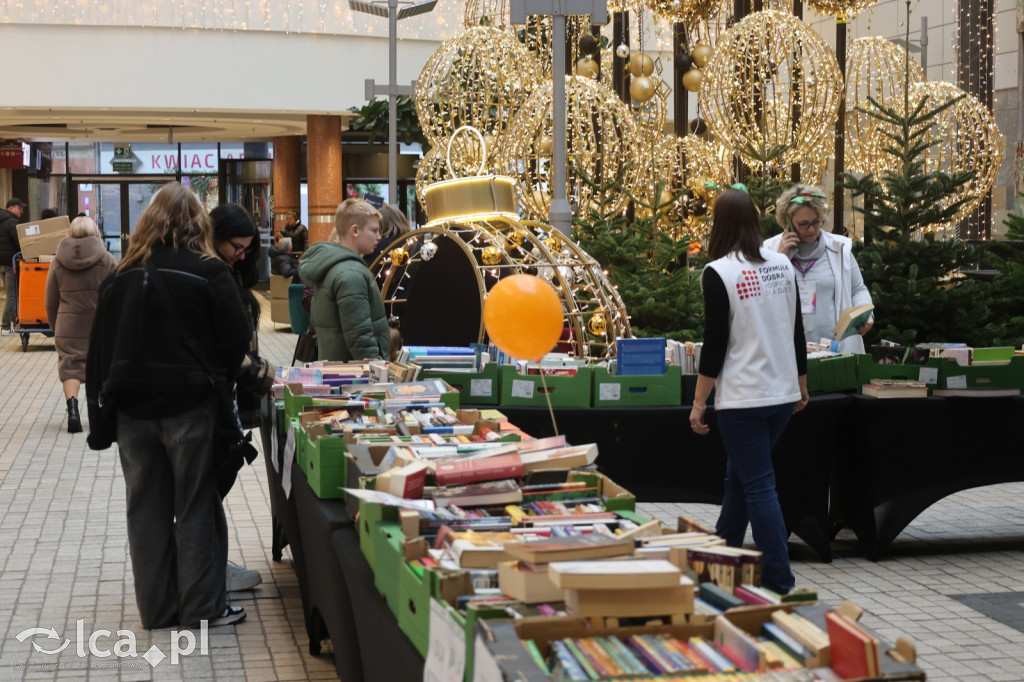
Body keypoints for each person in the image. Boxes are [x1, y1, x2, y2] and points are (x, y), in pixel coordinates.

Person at [86, 182, 252, 629]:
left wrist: (99, 422)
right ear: (198, 223)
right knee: (196, 504)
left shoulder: (118, 277)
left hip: (131, 414)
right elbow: (234, 343)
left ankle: (157, 611)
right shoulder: (208, 272)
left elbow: (97, 354)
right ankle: (203, 608)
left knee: (145, 509)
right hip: (189, 407)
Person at [689, 188, 809, 596]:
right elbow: (797, 330)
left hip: (743, 398)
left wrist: (699, 401)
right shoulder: (781, 264)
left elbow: (715, 343)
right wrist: (801, 384)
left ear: (719, 225)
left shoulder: (718, 272)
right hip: (779, 394)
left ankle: (779, 580)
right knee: (740, 480)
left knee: (758, 485)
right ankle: (719, 564)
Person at [210, 203, 275, 592]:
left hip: (230, 393)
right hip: (216, 394)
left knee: (220, 476)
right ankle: (208, 566)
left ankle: (210, 562)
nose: (243, 254)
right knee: (212, 480)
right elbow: (228, 350)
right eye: (237, 245)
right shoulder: (210, 274)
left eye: (249, 248)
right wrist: (266, 377)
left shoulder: (228, 272)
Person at [764, 185, 874, 353]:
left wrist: (866, 315)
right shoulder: (770, 250)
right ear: (787, 223)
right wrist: (781, 258)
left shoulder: (839, 248)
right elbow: (761, 299)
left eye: (816, 222)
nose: (812, 229)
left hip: (834, 352)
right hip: (786, 353)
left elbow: (858, 289)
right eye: (803, 224)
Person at [43, 216, 117, 433]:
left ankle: (73, 410)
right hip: (99, 325)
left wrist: (56, 326)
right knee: (103, 366)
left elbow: (50, 299)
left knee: (70, 367)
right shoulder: (107, 259)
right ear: (95, 231)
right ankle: (104, 411)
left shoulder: (57, 261)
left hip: (68, 324)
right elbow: (117, 294)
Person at [299, 198, 390, 362]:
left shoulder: (335, 266)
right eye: (374, 230)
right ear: (355, 231)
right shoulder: (351, 273)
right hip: (353, 375)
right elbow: (360, 336)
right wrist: (378, 368)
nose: (379, 237)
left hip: (338, 370)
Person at [0, 198, 27, 334]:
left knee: (9, 293)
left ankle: (14, 322)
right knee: (12, 295)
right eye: (19, 208)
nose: (22, 211)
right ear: (11, 208)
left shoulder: (2, 220)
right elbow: (20, 242)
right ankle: (5, 326)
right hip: (10, 262)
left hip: (2, 263)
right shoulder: (11, 222)